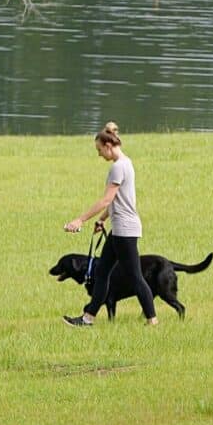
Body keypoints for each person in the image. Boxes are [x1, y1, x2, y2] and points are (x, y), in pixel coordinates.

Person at [62, 122, 158, 326]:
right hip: (120, 229)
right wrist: (102, 219)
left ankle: (153, 321)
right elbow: (117, 200)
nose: (99, 155)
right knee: (102, 273)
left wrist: (80, 220)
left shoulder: (118, 167)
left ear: (108, 145)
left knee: (135, 277)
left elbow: (106, 199)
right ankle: (88, 318)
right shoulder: (127, 162)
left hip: (125, 231)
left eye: (99, 150)